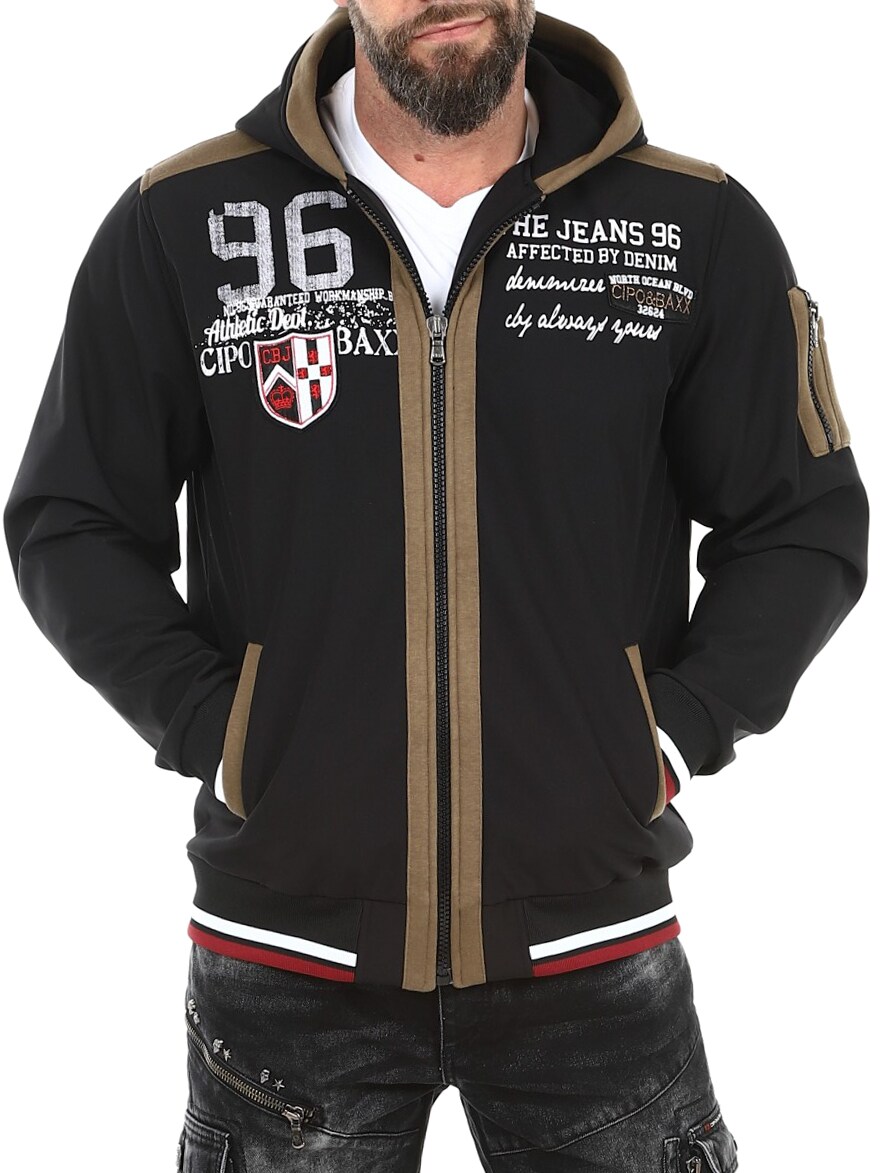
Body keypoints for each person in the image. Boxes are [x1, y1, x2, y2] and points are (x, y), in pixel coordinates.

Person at [3, 0, 869, 1169]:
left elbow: (802, 519)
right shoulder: (184, 221)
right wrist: (225, 734)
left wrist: (667, 735)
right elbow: (72, 519)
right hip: (286, 959)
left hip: (593, 949)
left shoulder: (691, 224)